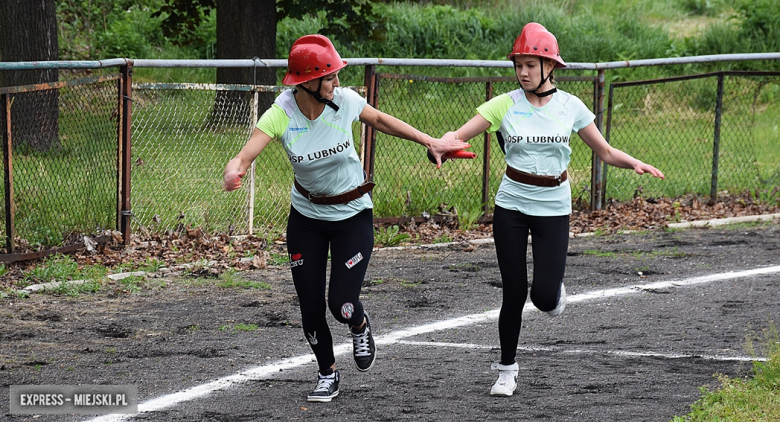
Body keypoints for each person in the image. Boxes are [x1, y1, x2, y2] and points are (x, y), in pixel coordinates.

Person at [223, 34, 471, 403]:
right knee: (310, 309)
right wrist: (234, 169)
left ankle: (359, 324)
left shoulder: (345, 102)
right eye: (330, 77)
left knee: (341, 305)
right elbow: (245, 155)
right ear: (308, 81)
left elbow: (383, 121)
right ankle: (327, 374)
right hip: (306, 218)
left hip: (352, 215)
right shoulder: (281, 113)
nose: (337, 83)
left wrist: (429, 141)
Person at [442, 22, 665, 397]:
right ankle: (506, 369)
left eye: (531, 64)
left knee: (544, 298)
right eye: (519, 65)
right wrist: (441, 144)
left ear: (550, 67)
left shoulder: (571, 106)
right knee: (513, 291)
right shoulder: (504, 104)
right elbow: (458, 134)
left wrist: (635, 163)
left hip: (553, 206)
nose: (523, 72)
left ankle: (553, 290)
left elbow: (605, 151)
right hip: (512, 203)